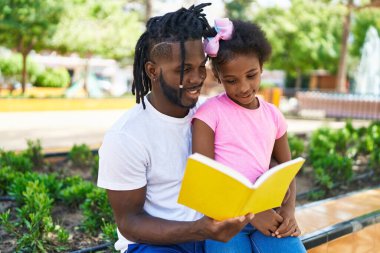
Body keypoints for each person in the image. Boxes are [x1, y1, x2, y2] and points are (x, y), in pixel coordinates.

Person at [97, 5, 254, 253]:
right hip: (154, 245)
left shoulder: (211, 115)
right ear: (152, 71)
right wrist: (201, 229)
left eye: (200, 66)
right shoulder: (126, 137)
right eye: (183, 70)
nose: (196, 78)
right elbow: (130, 223)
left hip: (213, 235)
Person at [192, 18, 306, 253]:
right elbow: (204, 181)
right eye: (231, 81)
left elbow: (287, 170)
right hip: (222, 221)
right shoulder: (208, 115)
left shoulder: (274, 116)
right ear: (218, 77)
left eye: (251, 75)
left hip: (269, 215)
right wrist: (252, 215)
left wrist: (289, 212)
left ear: (262, 67)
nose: (243, 87)